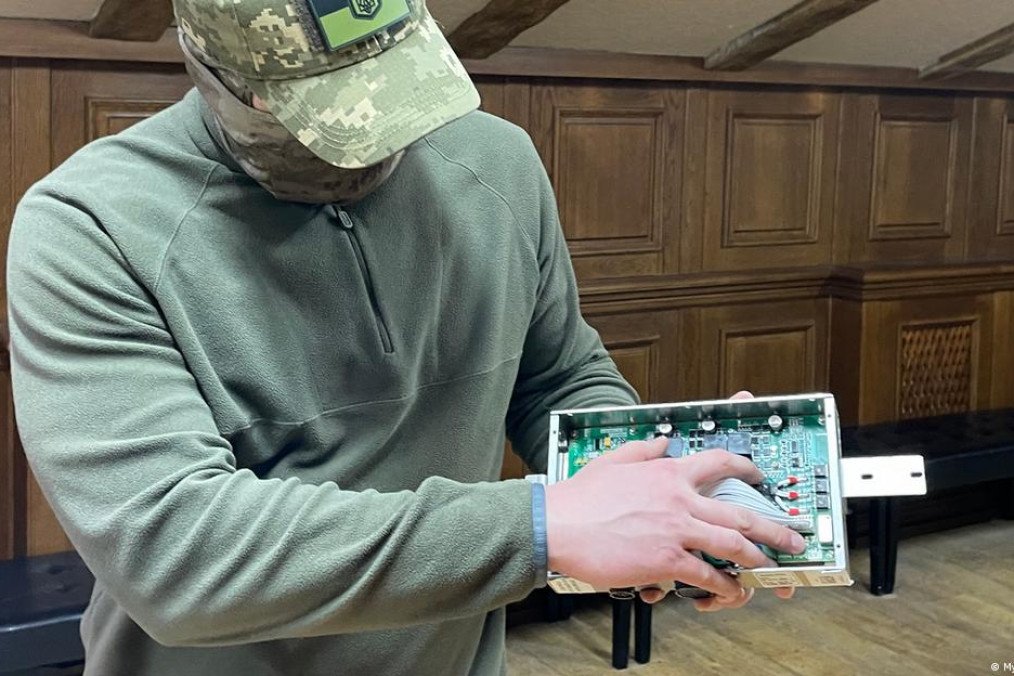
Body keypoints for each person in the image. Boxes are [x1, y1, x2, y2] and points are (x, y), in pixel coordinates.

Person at [6, 0, 804, 673]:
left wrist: (656, 485)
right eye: (332, 102)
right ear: (217, 74)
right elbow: (177, 555)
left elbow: (558, 376)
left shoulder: (499, 161)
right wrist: (542, 526)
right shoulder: (89, 227)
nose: (382, 135)